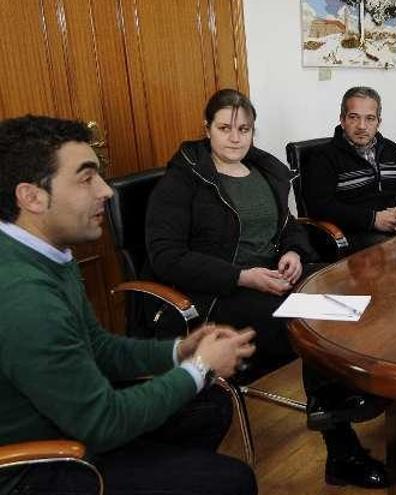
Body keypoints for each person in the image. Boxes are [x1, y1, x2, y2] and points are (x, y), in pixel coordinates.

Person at [0, 115, 257, 495]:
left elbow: (98, 347)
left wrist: (180, 350)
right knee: (231, 481)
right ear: (32, 196)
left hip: (69, 420)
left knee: (209, 404)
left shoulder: (49, 253)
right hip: (35, 467)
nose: (106, 191)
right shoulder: (25, 296)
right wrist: (200, 365)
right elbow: (102, 422)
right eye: (87, 178)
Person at [145, 88, 388, 489]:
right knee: (315, 319)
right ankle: (340, 445)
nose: (235, 137)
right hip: (217, 296)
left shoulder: (263, 171)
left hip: (272, 278)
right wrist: (242, 276)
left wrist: (293, 251)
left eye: (244, 128)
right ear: (207, 129)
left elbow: (289, 227)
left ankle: (340, 399)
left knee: (352, 289)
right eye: (224, 128)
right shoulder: (183, 181)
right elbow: (166, 257)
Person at [303, 86, 396, 251]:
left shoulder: (390, 149)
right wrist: (373, 219)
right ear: (342, 120)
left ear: (379, 122)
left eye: (370, 118)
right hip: (355, 237)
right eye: (354, 117)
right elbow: (320, 207)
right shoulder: (323, 156)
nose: (362, 126)